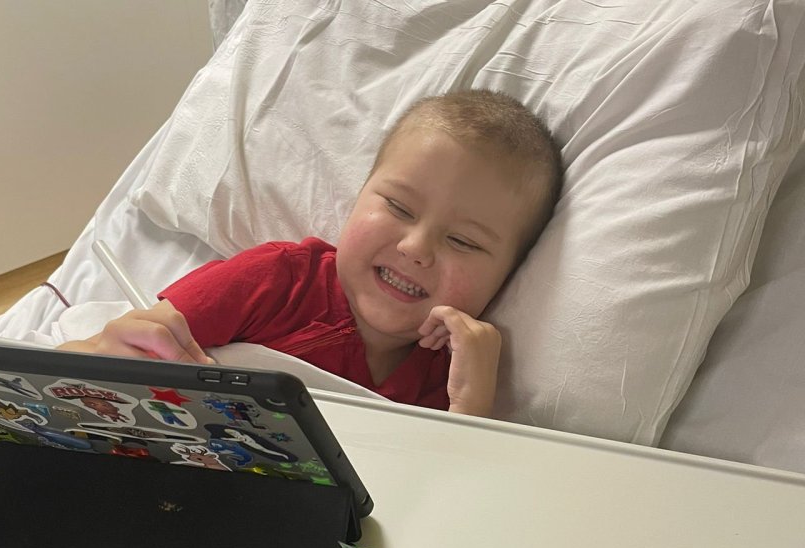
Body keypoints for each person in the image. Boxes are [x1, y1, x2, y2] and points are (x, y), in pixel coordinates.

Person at [59, 89, 563, 418]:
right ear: (359, 194)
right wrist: (108, 355)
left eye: (464, 241)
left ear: (509, 276)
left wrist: (473, 405)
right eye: (397, 206)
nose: (415, 248)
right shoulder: (277, 279)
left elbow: (451, 489)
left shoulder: (453, 371)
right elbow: (84, 363)